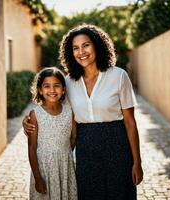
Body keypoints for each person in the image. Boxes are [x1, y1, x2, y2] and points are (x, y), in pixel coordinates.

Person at [23, 24, 143, 200]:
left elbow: (130, 123)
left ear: (96, 45)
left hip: (117, 144)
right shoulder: (68, 82)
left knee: (120, 194)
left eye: (86, 45)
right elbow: (52, 108)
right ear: (70, 53)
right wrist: (28, 120)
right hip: (85, 146)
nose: (81, 52)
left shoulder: (119, 76)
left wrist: (137, 162)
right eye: (75, 48)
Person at [27, 67, 77, 200]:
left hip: (65, 167)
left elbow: (73, 138)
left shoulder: (70, 112)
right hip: (43, 169)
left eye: (57, 86)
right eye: (47, 86)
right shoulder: (35, 114)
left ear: (64, 89)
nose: (52, 90)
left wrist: (62, 154)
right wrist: (37, 177)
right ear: (40, 90)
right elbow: (32, 147)